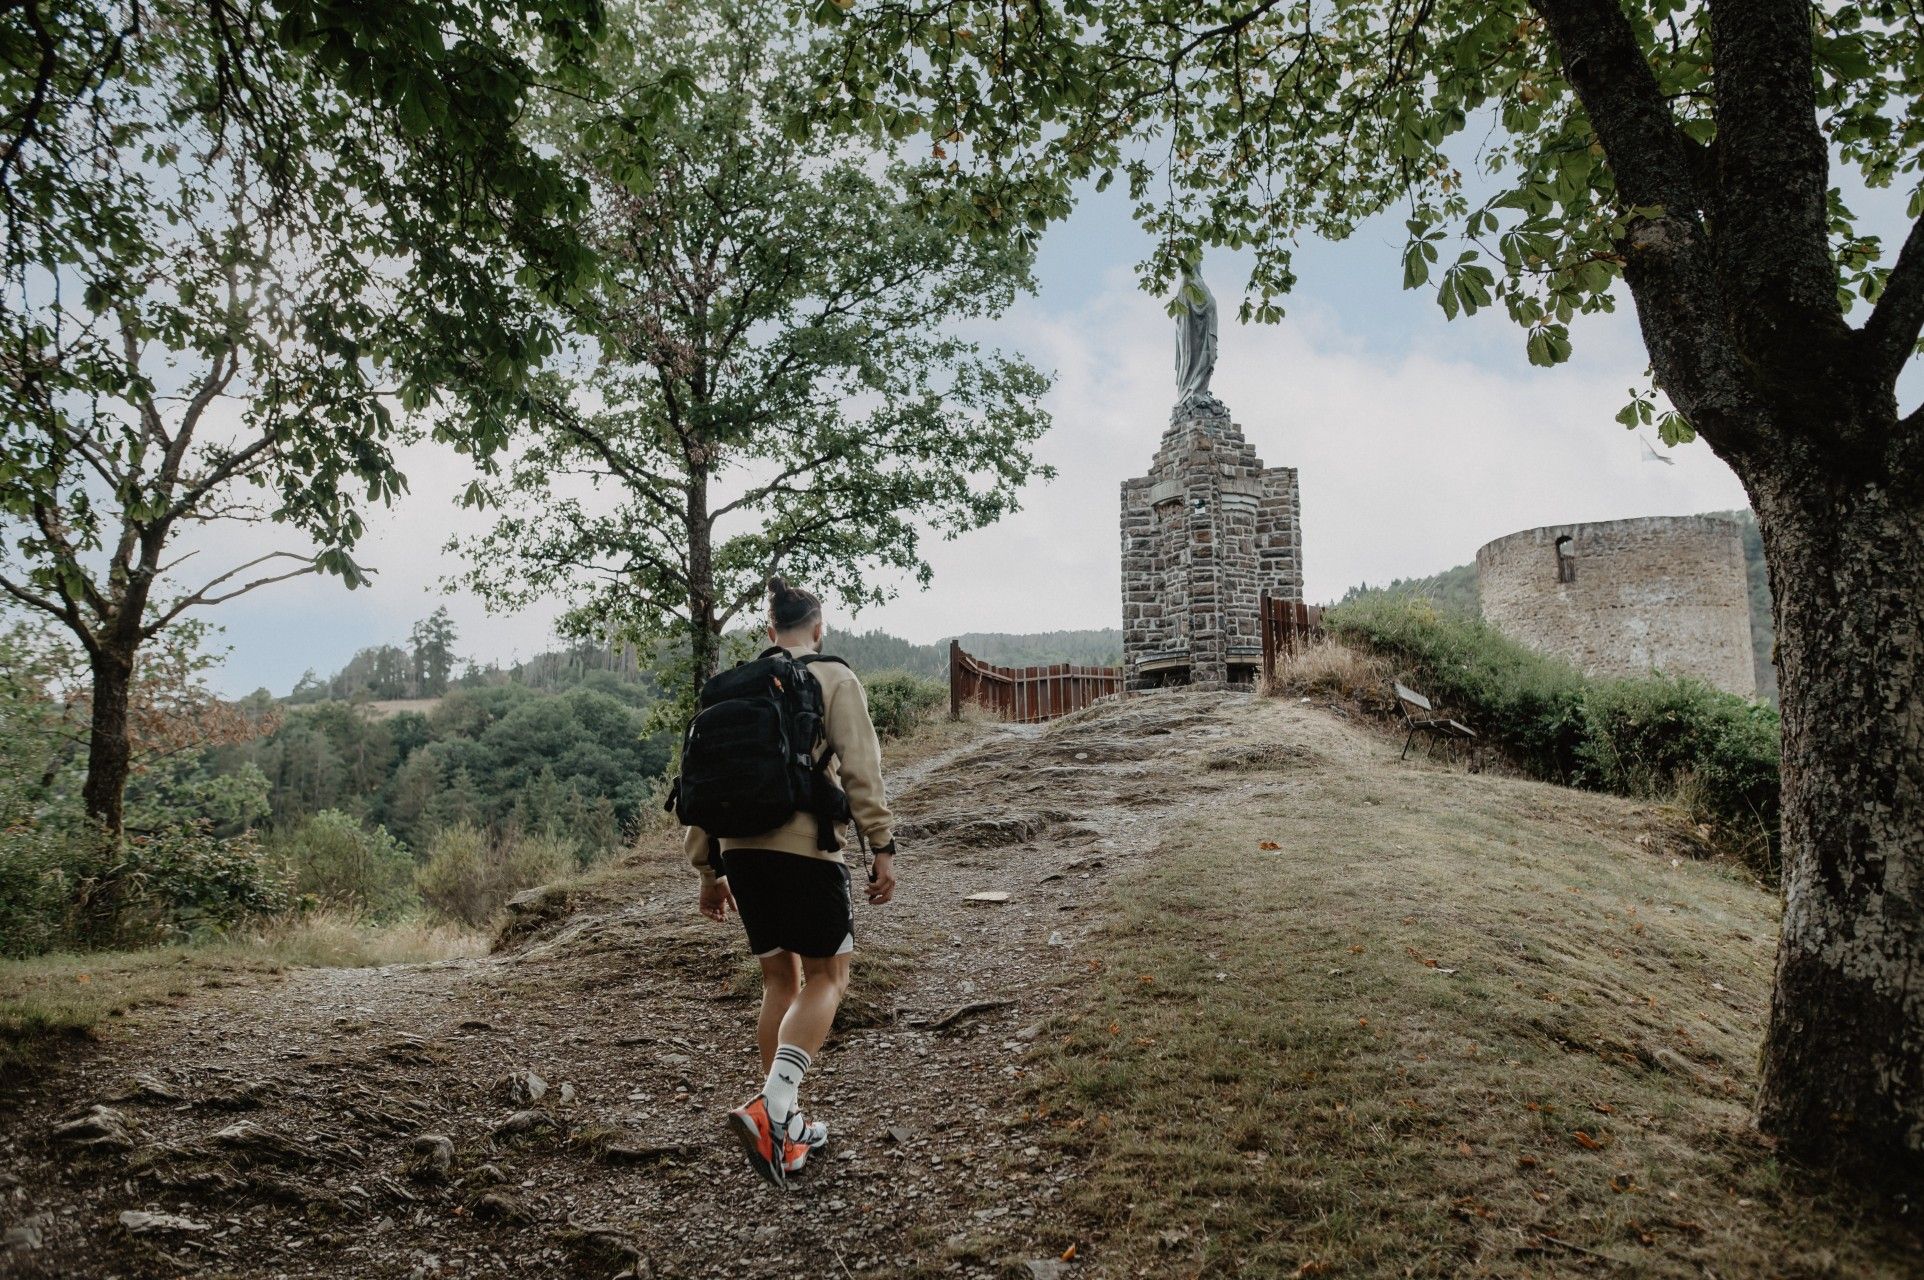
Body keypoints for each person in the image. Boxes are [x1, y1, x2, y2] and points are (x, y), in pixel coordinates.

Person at [687, 576, 898, 1187]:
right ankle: (775, 1105)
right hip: (804, 848)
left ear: (770, 631)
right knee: (831, 975)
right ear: (819, 626)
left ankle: (789, 1125)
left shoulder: (733, 690)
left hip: (740, 853)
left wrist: (708, 869)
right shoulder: (833, 676)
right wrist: (881, 846)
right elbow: (862, 770)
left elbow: (704, 782)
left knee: (781, 977)